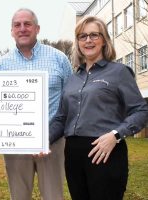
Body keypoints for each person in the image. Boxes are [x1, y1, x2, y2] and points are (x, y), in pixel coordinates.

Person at [50, 16, 148, 200]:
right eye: (83, 36)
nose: (88, 40)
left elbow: (141, 111)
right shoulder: (72, 79)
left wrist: (116, 135)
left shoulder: (119, 72)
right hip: (73, 154)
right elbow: (61, 118)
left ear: (104, 40)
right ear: (77, 42)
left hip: (106, 151)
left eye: (94, 35)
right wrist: (40, 140)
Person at [0, 8, 73, 200]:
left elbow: (70, 99)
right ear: (11, 31)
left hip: (52, 141)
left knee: (54, 196)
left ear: (37, 28)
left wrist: (54, 133)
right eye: (17, 25)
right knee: (19, 196)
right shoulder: (0, 66)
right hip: (16, 143)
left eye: (27, 24)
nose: (22, 29)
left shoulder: (59, 59)